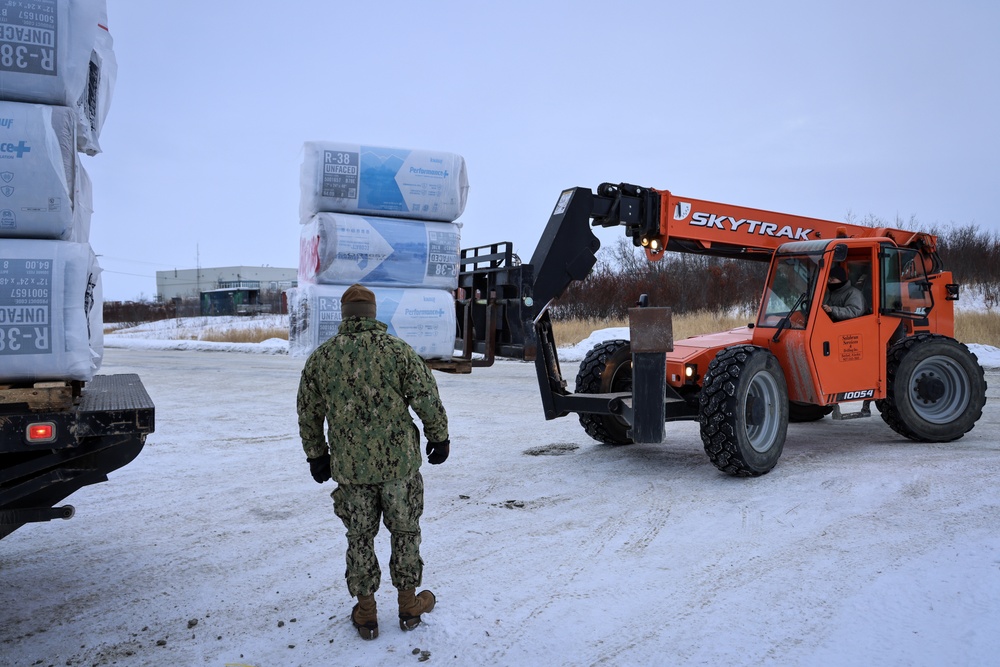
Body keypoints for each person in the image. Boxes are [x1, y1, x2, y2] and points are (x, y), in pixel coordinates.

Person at [297, 283, 450, 641]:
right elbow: (426, 396)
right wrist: (439, 437)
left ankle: (367, 615)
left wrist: (316, 455)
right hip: (399, 466)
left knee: (360, 537)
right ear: (373, 313)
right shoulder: (397, 350)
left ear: (344, 315)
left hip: (351, 470)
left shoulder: (322, 358)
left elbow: (308, 413)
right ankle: (409, 606)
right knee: (405, 531)